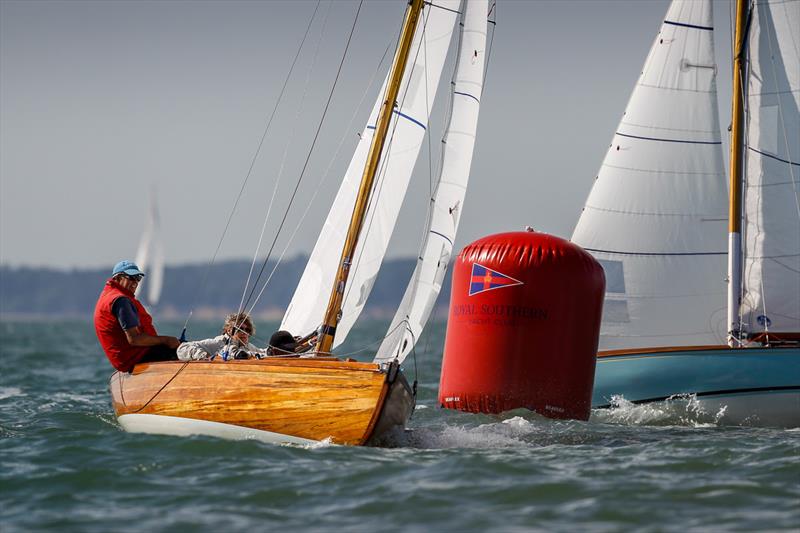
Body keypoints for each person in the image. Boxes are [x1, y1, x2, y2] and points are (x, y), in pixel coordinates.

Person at [94, 260, 181, 372]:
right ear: (118, 278)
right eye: (131, 278)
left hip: (127, 360)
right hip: (137, 358)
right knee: (189, 350)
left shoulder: (107, 296)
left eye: (138, 278)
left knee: (188, 346)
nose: (135, 283)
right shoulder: (121, 301)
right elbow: (134, 339)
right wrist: (167, 340)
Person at [177, 312, 268, 361]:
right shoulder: (218, 343)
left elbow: (262, 353)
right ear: (229, 330)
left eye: (247, 330)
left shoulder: (248, 346)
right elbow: (183, 347)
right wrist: (205, 356)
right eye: (240, 329)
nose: (244, 333)